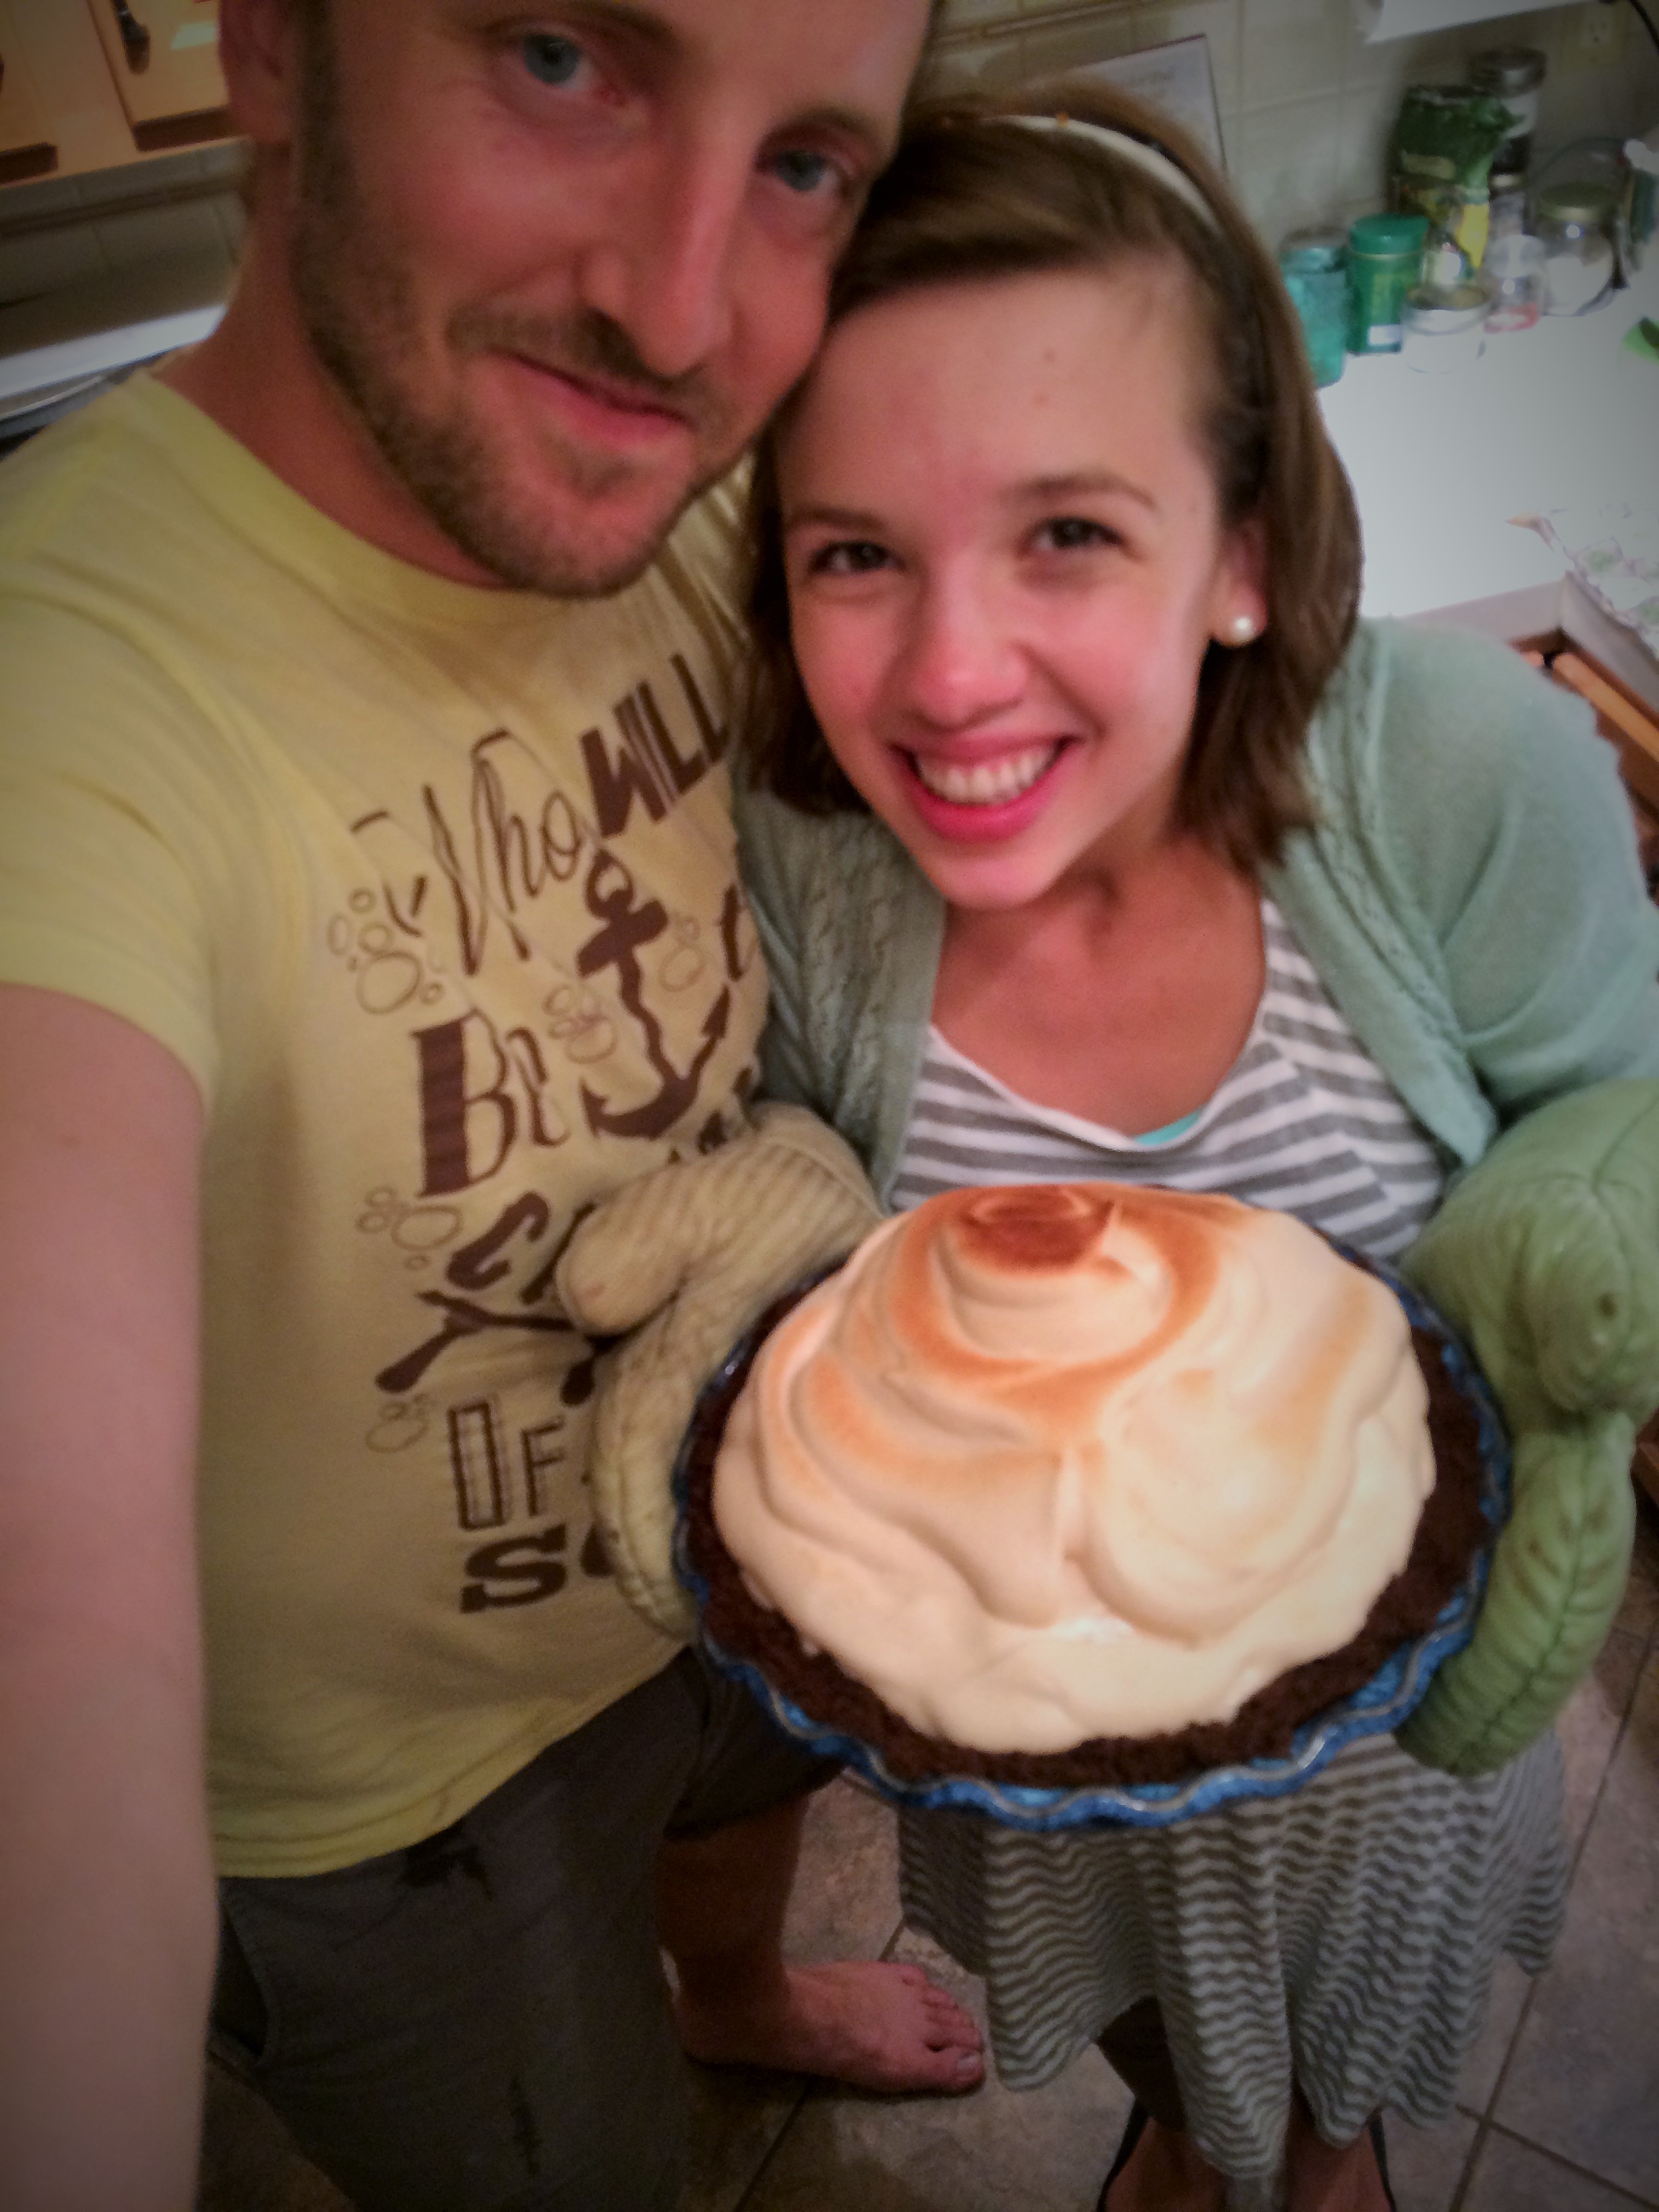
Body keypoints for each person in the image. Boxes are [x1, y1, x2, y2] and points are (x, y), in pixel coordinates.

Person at [0, 3, 990, 2208]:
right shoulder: (60, 692)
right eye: (563, 57)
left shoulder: (707, 507)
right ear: (274, 40)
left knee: (747, 1803)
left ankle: (735, 1990)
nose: (684, 314)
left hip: (738, 1527)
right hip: (415, 1807)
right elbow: (49, 1673)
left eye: (803, 164)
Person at [709, 85, 1659, 2212]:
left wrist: (1587, 1240)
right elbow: (795, 1178)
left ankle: (1324, 2150)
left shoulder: (1466, 781)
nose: (951, 676)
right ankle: (1179, 2123)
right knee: (1162, 2031)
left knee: (1334, 2075)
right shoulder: (804, 864)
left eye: (1067, 531)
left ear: (1240, 553)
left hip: (1386, 1778)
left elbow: (1623, 1109)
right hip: (1043, 1784)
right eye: (856, 551)